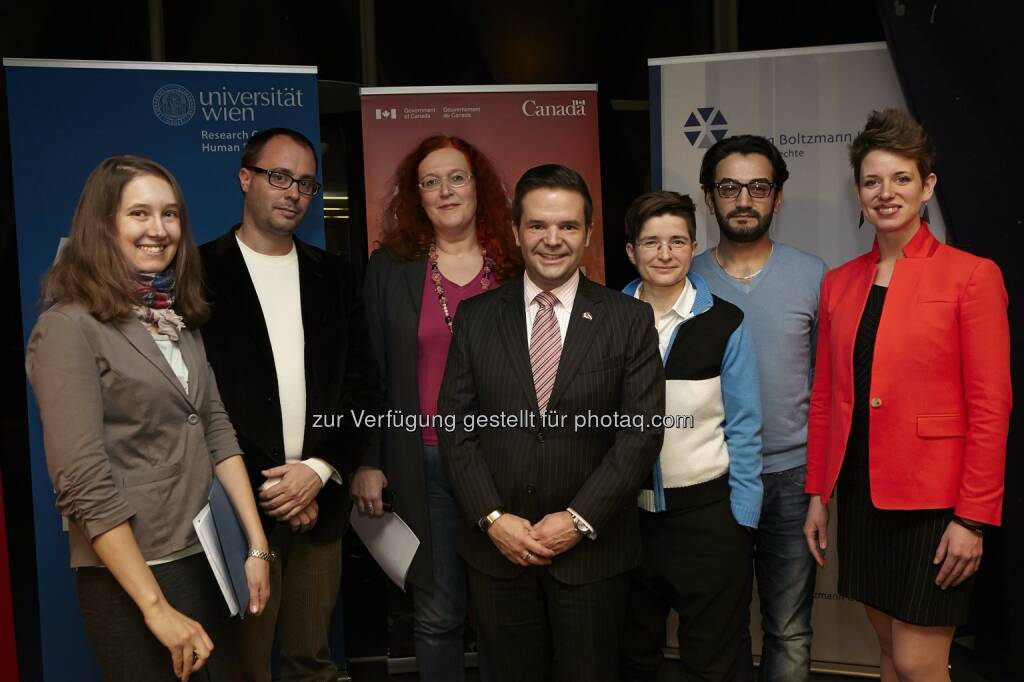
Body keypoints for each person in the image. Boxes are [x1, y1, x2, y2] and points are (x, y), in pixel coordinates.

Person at [25, 155, 270, 681]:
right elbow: (82, 481)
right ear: (103, 224)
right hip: (137, 574)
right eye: (139, 213)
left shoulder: (177, 319)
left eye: (170, 214)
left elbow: (215, 428)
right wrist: (155, 607)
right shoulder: (67, 327)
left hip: (208, 555)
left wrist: (256, 546)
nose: (158, 230)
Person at [803, 109, 1011, 681]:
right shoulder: (839, 282)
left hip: (936, 504)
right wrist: (819, 493)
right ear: (858, 192)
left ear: (927, 186)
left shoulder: (972, 275)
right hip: (864, 500)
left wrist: (972, 518)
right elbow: (827, 396)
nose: (886, 193)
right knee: (891, 655)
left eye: (901, 179)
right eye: (873, 181)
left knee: (921, 662)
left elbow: (992, 408)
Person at [438, 164, 665, 682]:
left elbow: (641, 433)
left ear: (587, 235)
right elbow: (456, 429)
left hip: (592, 555)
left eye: (567, 226)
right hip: (499, 554)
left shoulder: (627, 320)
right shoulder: (475, 318)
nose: (552, 239)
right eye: (538, 225)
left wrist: (578, 520)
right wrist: (494, 519)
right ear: (517, 232)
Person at [199, 128, 381, 681]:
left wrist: (319, 471)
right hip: (238, 503)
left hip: (319, 502)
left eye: (305, 182)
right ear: (246, 177)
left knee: (312, 659)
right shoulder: (199, 273)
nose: (293, 192)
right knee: (244, 664)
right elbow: (197, 398)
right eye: (279, 176)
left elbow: (363, 387)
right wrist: (276, 486)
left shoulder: (334, 275)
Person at [354, 134, 521, 681]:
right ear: (416, 195)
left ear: (480, 187)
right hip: (422, 463)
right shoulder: (390, 268)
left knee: (504, 616)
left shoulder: (514, 264)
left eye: (457, 177)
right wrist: (368, 459)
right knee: (438, 613)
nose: (446, 191)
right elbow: (369, 367)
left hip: (504, 460)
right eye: (431, 181)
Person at [690, 135, 825, 681]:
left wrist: (820, 485)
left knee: (789, 630)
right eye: (729, 187)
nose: (743, 200)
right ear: (708, 196)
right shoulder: (685, 277)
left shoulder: (815, 275)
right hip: (711, 477)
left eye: (758, 187)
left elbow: (828, 386)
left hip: (792, 479)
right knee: (720, 627)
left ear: (778, 196)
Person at [619, 191, 763, 681]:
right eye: (651, 242)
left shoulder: (725, 323)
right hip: (624, 520)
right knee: (632, 655)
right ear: (631, 251)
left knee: (713, 659)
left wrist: (742, 518)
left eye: (677, 241)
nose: (665, 253)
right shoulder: (601, 320)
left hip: (707, 520)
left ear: (693, 246)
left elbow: (745, 426)